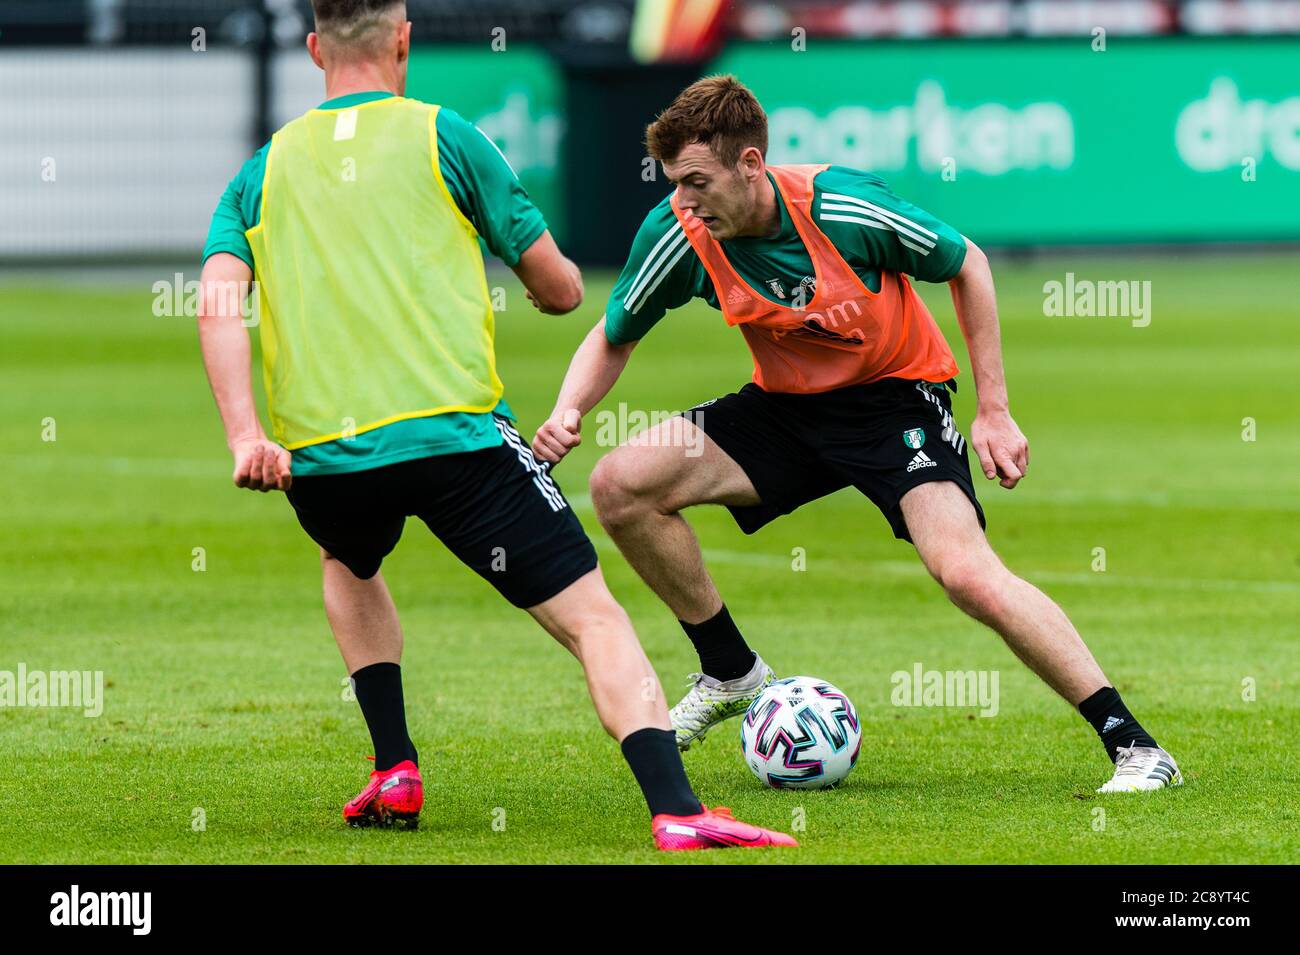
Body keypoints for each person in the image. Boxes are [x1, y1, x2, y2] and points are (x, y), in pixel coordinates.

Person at [197, 2, 795, 850]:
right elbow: (557, 289)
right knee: (593, 616)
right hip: (460, 443)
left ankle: (395, 765)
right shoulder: (449, 137)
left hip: (322, 455)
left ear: (311, 48)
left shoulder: (259, 171)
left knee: (349, 557)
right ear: (404, 40)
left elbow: (219, 300)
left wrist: (243, 435)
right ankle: (677, 807)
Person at [533, 75, 1181, 794]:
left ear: (751, 166)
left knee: (966, 573)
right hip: (783, 410)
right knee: (621, 485)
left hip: (894, 403)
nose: (684, 199)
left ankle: (1135, 744)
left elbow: (969, 263)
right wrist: (569, 410)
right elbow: (614, 332)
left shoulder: (843, 206)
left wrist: (993, 410)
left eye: (696, 182)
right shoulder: (679, 231)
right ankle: (730, 670)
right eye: (675, 184)